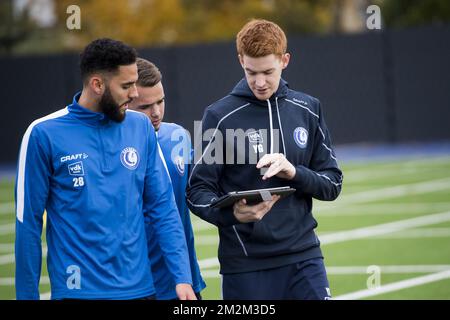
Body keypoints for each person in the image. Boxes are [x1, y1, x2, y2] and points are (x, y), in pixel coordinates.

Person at [15, 38, 196, 300]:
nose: (135, 94)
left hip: (142, 291)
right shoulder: (43, 134)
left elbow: (163, 207)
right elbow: (28, 224)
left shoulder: (140, 127)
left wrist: (181, 277)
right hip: (78, 292)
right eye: (126, 86)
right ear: (97, 84)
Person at [186, 19, 343, 300]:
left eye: (268, 72)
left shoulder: (308, 108)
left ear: (285, 60)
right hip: (245, 266)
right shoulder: (217, 116)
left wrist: (294, 172)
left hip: (304, 257)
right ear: (240, 61)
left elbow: (333, 184)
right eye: (251, 72)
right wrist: (231, 214)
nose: (259, 82)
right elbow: (196, 192)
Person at [129, 58, 206, 299]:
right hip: (134, 285)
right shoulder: (110, 150)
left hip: (183, 282)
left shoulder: (178, 137)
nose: (156, 112)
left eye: (161, 101)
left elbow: (198, 193)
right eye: (145, 106)